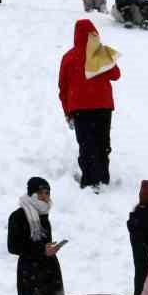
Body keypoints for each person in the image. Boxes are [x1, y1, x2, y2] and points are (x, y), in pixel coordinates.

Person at [58, 18, 119, 189]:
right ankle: (103, 177)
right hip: (103, 106)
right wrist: (101, 54)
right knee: (102, 143)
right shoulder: (99, 53)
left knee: (86, 144)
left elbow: (63, 87)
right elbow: (116, 74)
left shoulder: (68, 57)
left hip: (79, 108)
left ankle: (89, 180)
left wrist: (67, 111)